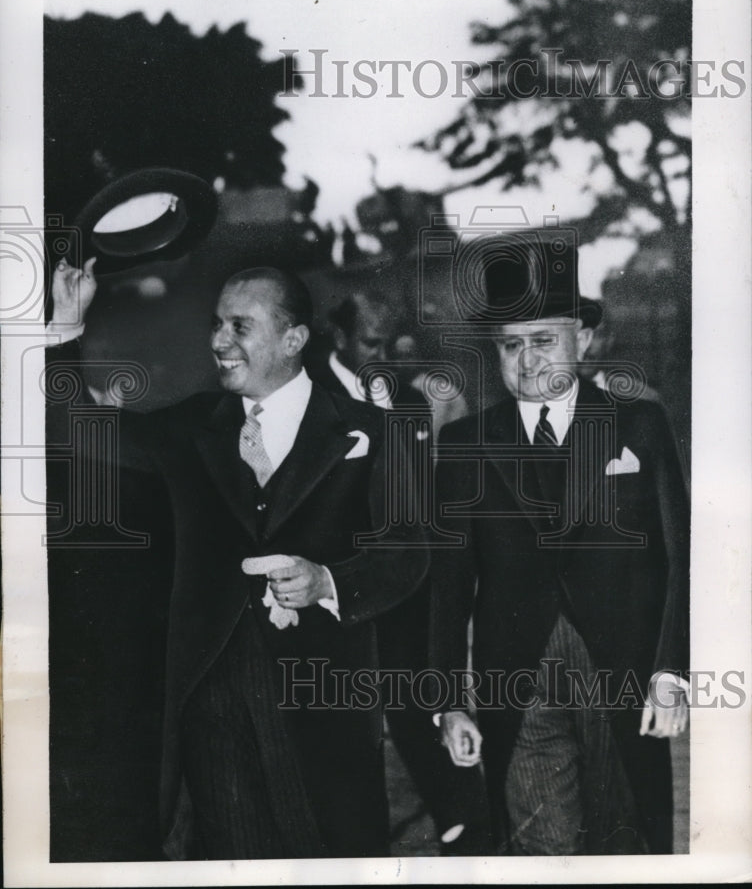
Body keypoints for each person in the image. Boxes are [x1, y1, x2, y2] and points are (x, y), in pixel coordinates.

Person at [46, 259, 429, 860]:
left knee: (330, 857)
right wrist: (66, 328)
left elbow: (408, 551)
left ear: (292, 339)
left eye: (240, 327)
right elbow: (79, 429)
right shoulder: (191, 426)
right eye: (217, 324)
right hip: (213, 698)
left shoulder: (372, 431)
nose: (219, 341)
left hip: (321, 698)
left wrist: (327, 580)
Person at [430, 233, 689, 855]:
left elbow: (679, 559)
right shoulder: (466, 444)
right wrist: (449, 701)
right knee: (542, 847)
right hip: (516, 678)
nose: (527, 361)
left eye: (543, 340)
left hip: (623, 672)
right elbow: (448, 582)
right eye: (510, 345)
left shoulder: (639, 425)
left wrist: (672, 670)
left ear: (583, 338)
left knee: (626, 841)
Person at [308, 292, 492, 854]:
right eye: (371, 343)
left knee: (421, 702)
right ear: (339, 337)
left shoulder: (411, 402)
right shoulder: (309, 398)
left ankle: (463, 826)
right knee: (343, 727)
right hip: (336, 592)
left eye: (392, 345)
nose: (384, 357)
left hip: (409, 586)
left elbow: (424, 500)